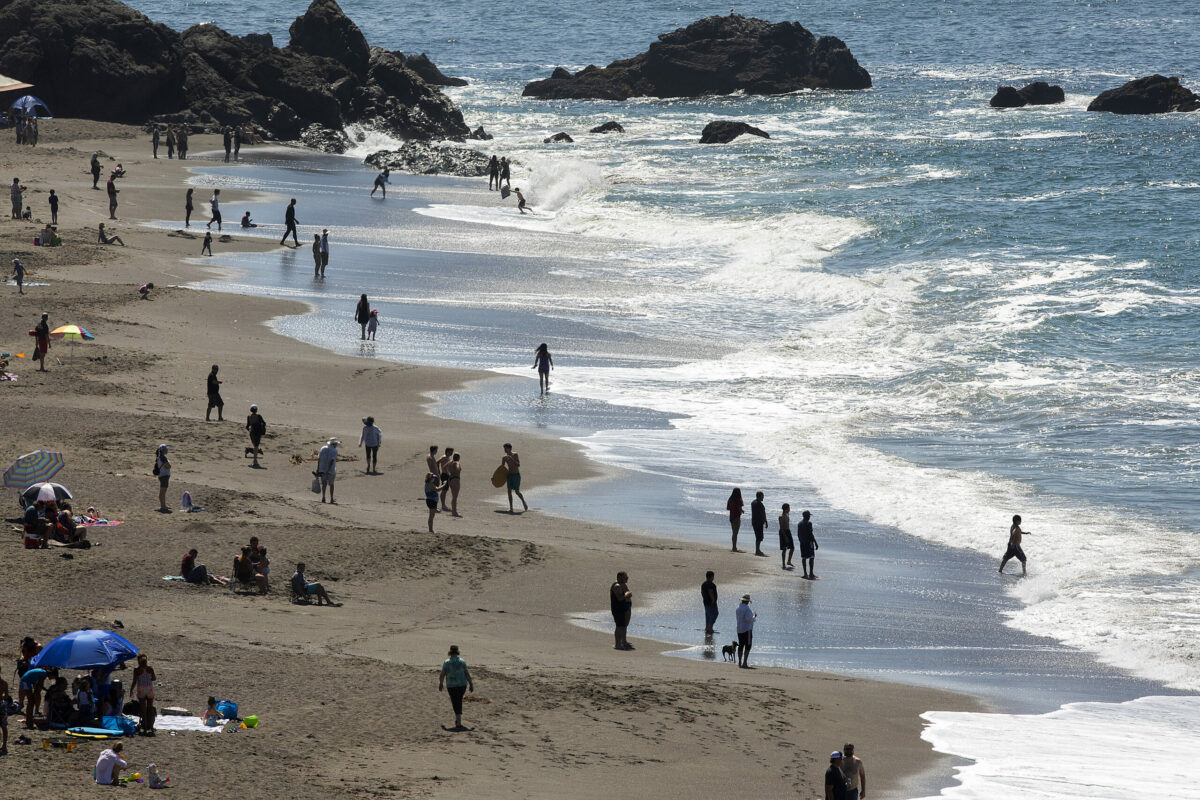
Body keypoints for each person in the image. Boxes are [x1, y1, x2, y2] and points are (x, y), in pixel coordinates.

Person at [438, 645, 474, 731]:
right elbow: (467, 674)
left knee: (455, 702)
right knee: (458, 700)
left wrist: (441, 683)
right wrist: (471, 684)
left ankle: (458, 722)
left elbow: (442, 674)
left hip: (452, 685)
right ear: (457, 652)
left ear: (450, 651)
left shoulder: (447, 662)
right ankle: (458, 720)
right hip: (462, 685)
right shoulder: (462, 661)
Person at [132, 654, 156, 734]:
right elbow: (154, 678)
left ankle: (145, 728)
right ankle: (151, 728)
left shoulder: (137, 670)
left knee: (143, 710)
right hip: (149, 689)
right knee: (150, 709)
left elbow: (134, 681)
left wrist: (131, 689)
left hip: (141, 689)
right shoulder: (150, 668)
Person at [501, 443, 528, 512]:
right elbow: (501, 469)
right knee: (509, 491)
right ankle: (511, 508)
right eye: (504, 448)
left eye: (506, 448)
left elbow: (518, 465)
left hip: (516, 475)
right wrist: (496, 478)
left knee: (517, 491)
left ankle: (523, 502)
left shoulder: (515, 454)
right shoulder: (504, 457)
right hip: (509, 475)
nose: (504, 449)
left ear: (509, 448)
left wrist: (511, 458)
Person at [610, 571, 632, 650]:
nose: (627, 579)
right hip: (618, 609)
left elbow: (626, 592)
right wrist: (626, 596)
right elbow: (619, 598)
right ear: (619, 577)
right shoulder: (617, 586)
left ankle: (622, 642)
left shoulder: (623, 585)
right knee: (619, 626)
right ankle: (617, 644)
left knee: (623, 626)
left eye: (627, 577)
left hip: (623, 608)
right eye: (625, 577)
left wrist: (627, 593)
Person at [735, 594, 755, 668]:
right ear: (747, 602)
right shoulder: (747, 609)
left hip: (739, 629)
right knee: (748, 645)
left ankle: (740, 662)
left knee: (741, 645)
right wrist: (754, 616)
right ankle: (745, 662)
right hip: (747, 629)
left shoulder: (738, 608)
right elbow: (749, 619)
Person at [317, 437, 339, 503]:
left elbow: (319, 459)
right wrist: (328, 469)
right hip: (331, 470)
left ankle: (323, 497)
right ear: (334, 444)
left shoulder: (323, 448)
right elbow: (332, 461)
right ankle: (331, 499)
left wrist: (318, 468)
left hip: (322, 469)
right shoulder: (334, 451)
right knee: (331, 484)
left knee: (324, 484)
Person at [798, 510, 818, 578]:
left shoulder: (799, 523)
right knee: (811, 557)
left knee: (804, 557)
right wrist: (815, 542)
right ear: (807, 516)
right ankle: (811, 573)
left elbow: (798, 534)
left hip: (802, 542)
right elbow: (810, 534)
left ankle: (805, 573)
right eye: (809, 515)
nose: (810, 516)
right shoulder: (809, 523)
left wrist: (801, 541)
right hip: (809, 542)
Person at [154, 444, 171, 512]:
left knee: (163, 492)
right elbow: (168, 466)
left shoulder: (160, 457)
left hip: (163, 476)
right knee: (162, 492)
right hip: (164, 476)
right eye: (166, 449)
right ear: (163, 450)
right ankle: (163, 506)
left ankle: (164, 505)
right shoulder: (162, 457)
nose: (167, 450)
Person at [701, 570, 718, 636]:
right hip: (711, 603)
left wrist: (704, 598)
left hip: (705, 602)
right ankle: (710, 627)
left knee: (708, 615)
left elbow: (702, 592)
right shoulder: (711, 584)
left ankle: (707, 627)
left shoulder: (703, 584)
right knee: (715, 614)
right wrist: (713, 600)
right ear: (711, 577)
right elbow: (710, 592)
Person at [751, 491, 767, 556]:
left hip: (754, 521)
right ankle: (757, 550)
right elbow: (762, 513)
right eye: (762, 496)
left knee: (758, 536)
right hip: (759, 522)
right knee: (759, 536)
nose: (763, 497)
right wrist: (765, 521)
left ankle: (758, 549)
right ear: (759, 496)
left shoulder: (753, 502)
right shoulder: (759, 504)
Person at [445, 452, 462, 517]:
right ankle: (454, 512)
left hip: (451, 479)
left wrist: (449, 473)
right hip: (456, 479)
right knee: (455, 497)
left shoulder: (450, 462)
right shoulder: (457, 463)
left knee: (453, 496)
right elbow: (457, 468)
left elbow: (444, 467)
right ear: (458, 458)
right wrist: (457, 471)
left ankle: (453, 510)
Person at [779, 503, 795, 570]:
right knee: (784, 549)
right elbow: (781, 527)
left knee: (792, 547)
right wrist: (785, 536)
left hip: (788, 531)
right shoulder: (781, 516)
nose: (789, 509)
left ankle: (789, 561)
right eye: (789, 508)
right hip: (783, 532)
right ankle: (783, 563)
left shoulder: (787, 514)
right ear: (786, 509)